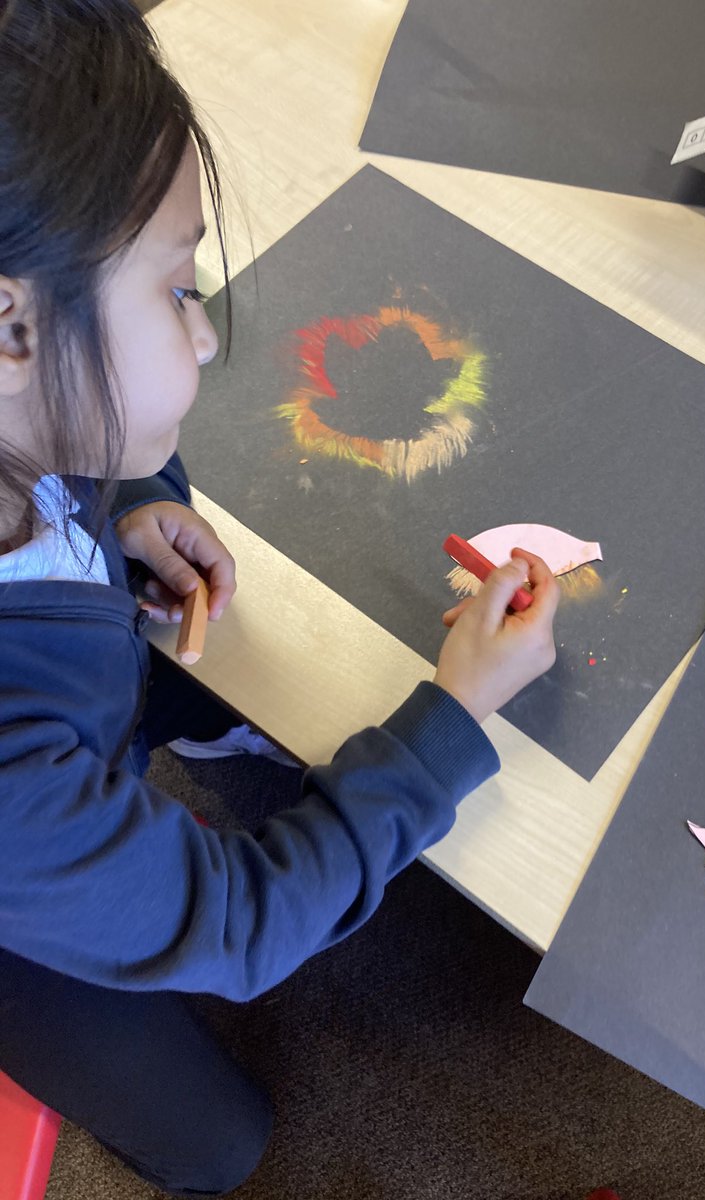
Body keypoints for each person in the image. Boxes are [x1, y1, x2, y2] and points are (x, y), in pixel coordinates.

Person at [0, 1, 559, 1194]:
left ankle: (143, 743)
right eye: (176, 291)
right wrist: (447, 723)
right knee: (219, 1145)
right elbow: (242, 923)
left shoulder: (24, 423)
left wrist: (122, 509)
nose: (204, 340)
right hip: (15, 900)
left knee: (125, 651)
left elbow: (73, 451)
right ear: (9, 322)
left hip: (53, 761)